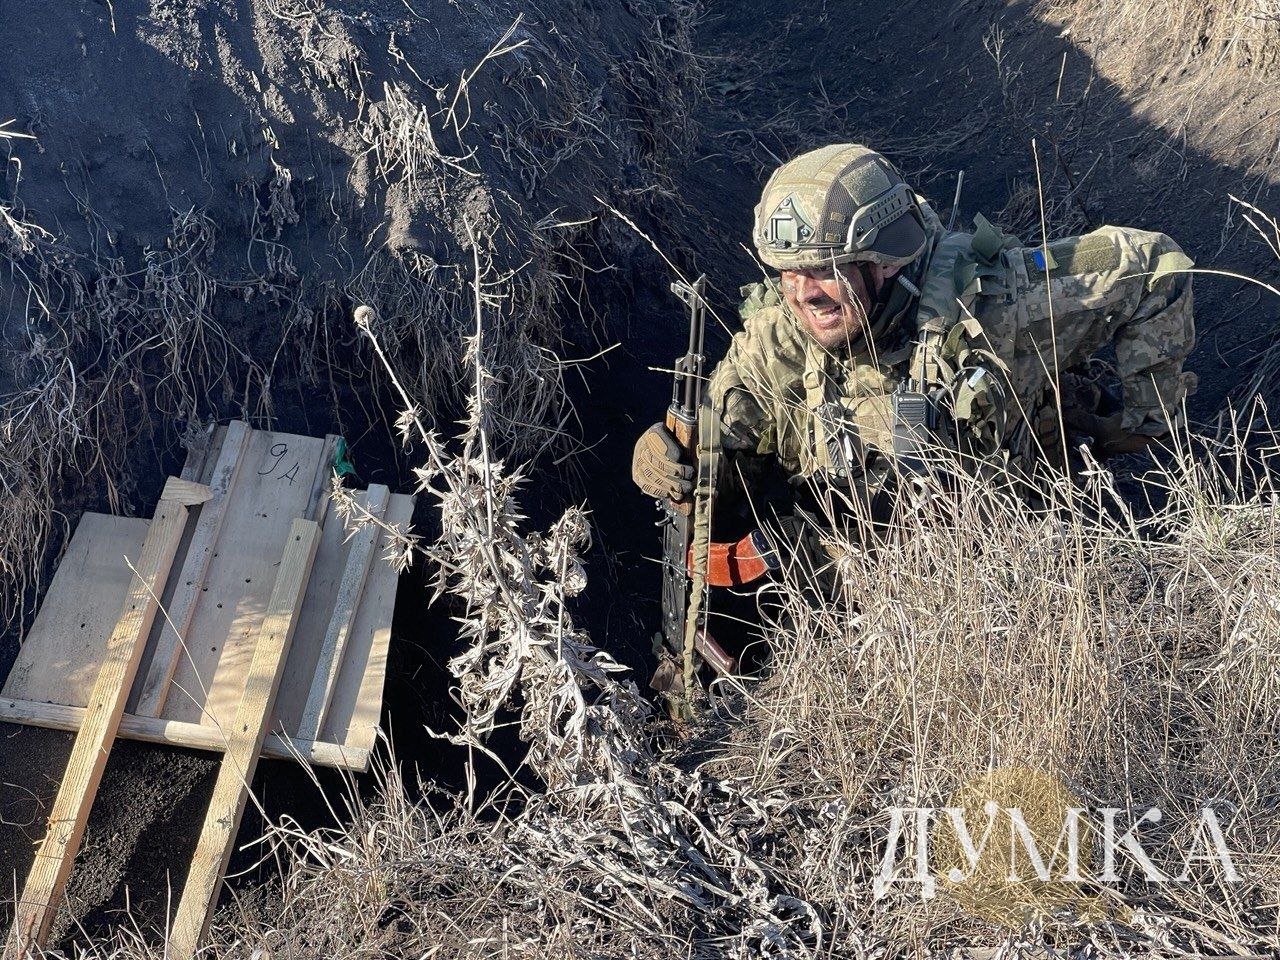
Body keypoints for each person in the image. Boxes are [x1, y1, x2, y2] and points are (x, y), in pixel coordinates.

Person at [631, 143, 1196, 685]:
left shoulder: (1001, 304)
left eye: (824, 269)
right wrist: (667, 460)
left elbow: (1155, 264)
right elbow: (718, 452)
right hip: (844, 585)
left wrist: (1142, 421)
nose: (804, 293)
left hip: (997, 582)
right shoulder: (778, 340)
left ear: (883, 260)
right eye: (788, 272)